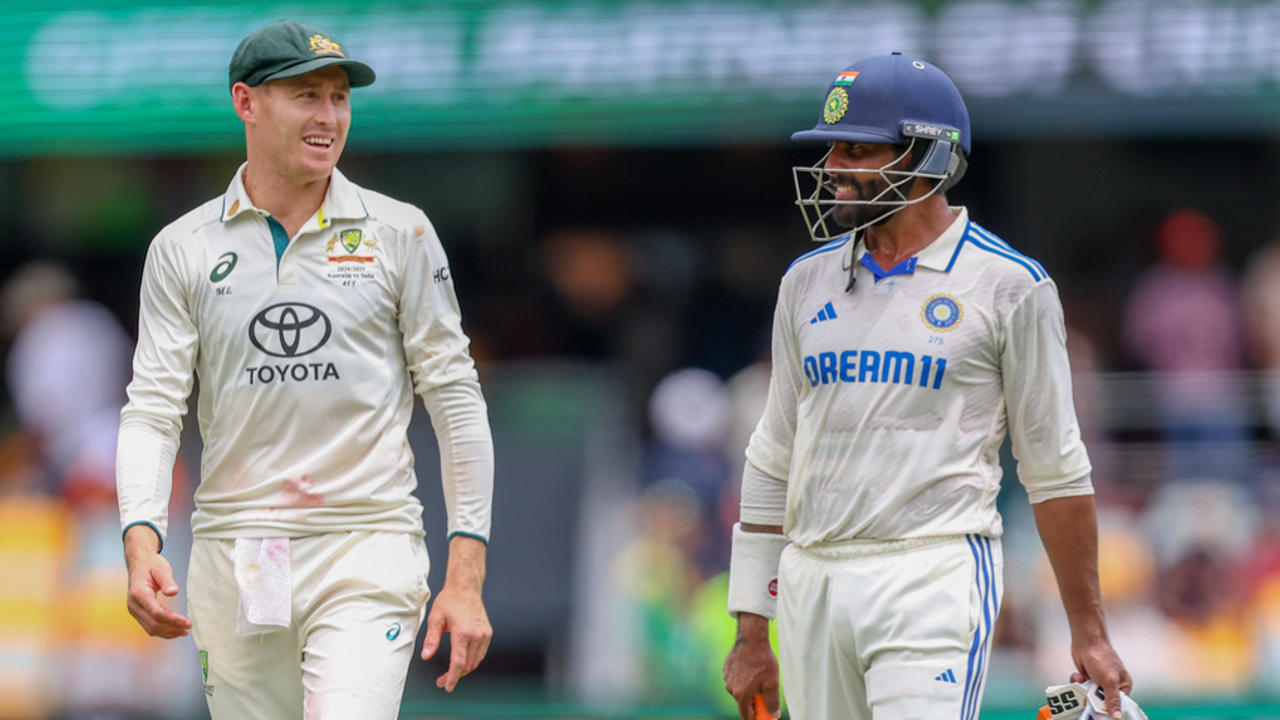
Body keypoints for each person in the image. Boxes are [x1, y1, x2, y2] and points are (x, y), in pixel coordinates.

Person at [721, 53, 1132, 720]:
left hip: (932, 572)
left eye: (857, 150)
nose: (831, 169)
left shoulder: (1010, 286)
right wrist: (750, 630)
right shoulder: (804, 282)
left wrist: (1089, 629)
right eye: (831, 149)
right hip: (810, 577)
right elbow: (773, 457)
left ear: (928, 158)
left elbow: (1055, 471)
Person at [116, 20, 494, 719]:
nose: (329, 118)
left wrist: (465, 573)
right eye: (306, 96)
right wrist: (142, 545)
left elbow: (456, 398)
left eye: (339, 98)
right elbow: (152, 407)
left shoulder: (399, 232)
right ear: (246, 102)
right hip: (241, 551)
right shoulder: (183, 248)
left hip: (367, 541)